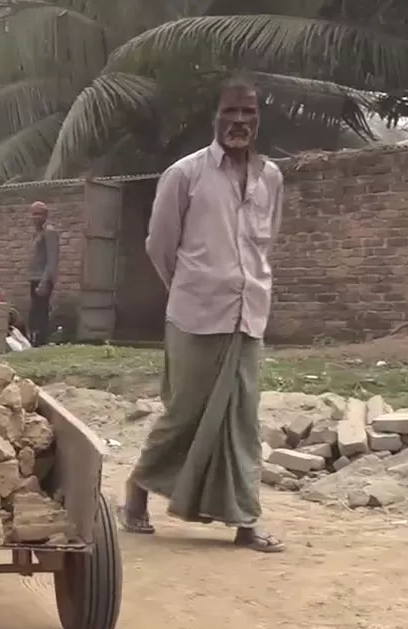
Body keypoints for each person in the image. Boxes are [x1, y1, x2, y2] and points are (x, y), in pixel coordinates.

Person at [118, 76, 287, 554]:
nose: (239, 122)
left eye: (248, 113)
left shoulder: (270, 177)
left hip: (248, 315)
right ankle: (136, 493)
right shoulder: (185, 175)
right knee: (183, 413)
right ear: (214, 117)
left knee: (243, 420)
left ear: (258, 119)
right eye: (230, 112)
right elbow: (160, 245)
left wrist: (242, 283)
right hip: (194, 315)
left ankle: (245, 520)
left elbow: (267, 241)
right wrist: (191, 287)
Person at [27, 201, 60, 346]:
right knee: (35, 310)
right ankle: (35, 340)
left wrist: (45, 281)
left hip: (43, 278)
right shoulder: (36, 233)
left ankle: (41, 340)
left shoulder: (49, 232)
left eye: (39, 214)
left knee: (41, 310)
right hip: (34, 276)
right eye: (33, 214)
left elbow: (52, 259)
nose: (35, 217)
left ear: (46, 215)